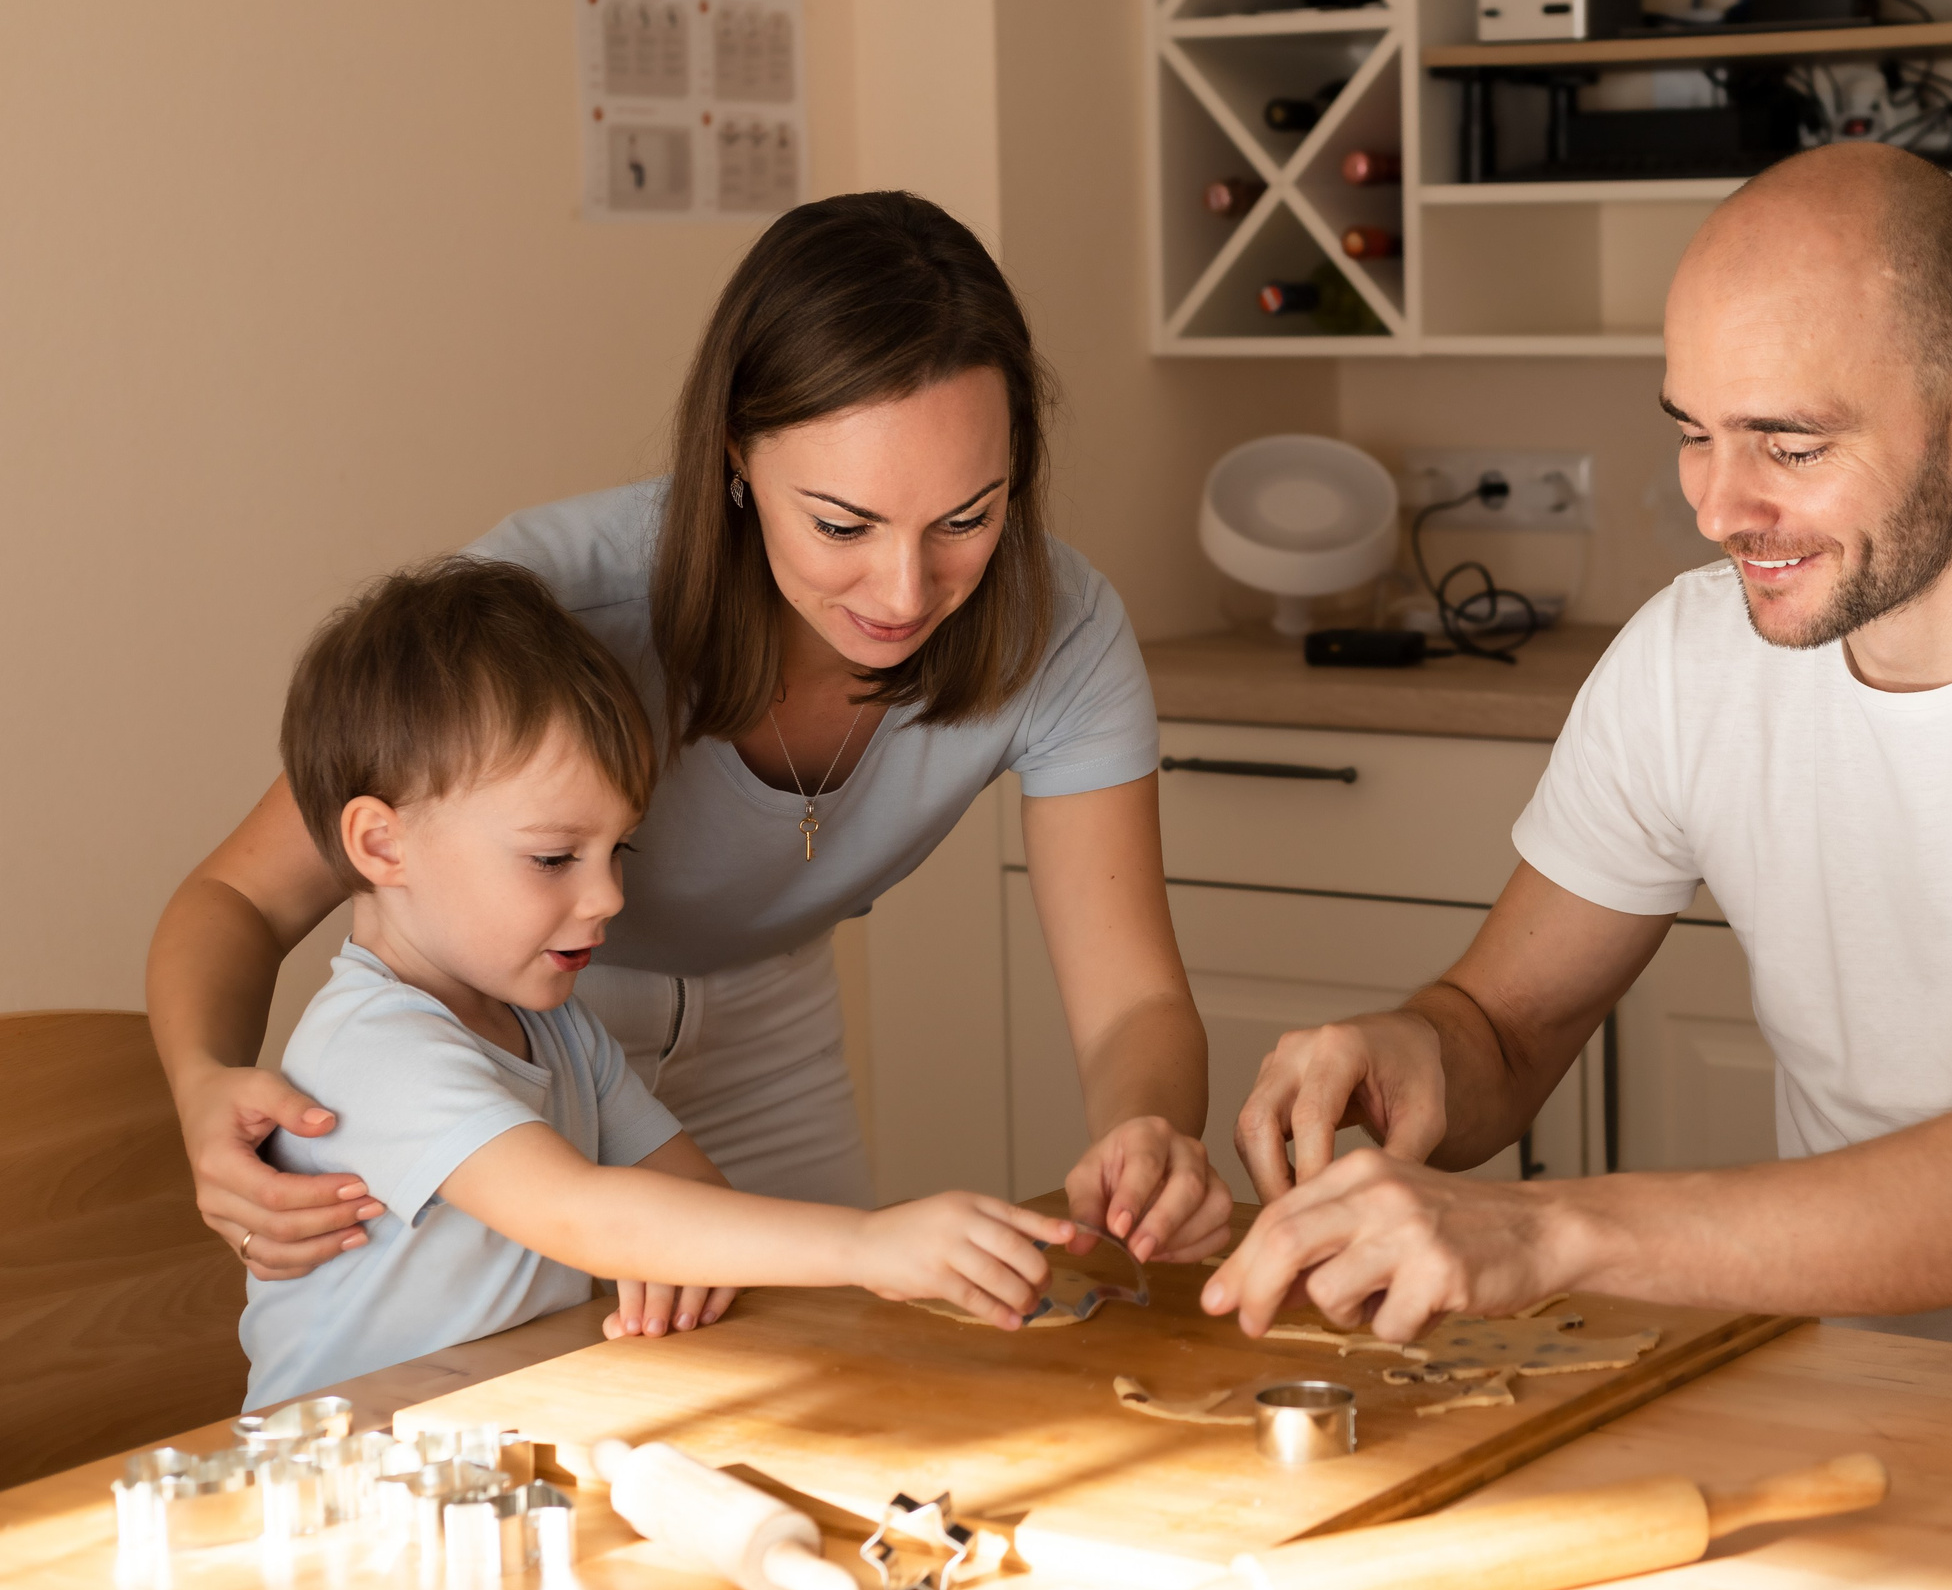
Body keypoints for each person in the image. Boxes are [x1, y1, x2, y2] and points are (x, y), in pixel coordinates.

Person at [1200, 145, 1952, 1590]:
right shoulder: (1692, 659)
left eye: (1787, 445)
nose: (1716, 506)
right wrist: (1400, 1053)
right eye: (1690, 433)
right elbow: (1501, 1024)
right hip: (1813, 1472)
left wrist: (1544, 1234)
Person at [149, 192, 1230, 1289]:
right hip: (532, 1009)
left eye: (967, 520)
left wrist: (1148, 1135)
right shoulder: (557, 610)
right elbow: (240, 895)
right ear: (735, 458)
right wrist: (201, 1084)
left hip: (766, 1014)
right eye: (841, 525)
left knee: (798, 1370)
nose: (906, 592)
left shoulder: (1061, 630)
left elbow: (1135, 1002)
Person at [245, 557, 1075, 1409]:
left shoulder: (559, 1028)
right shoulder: (377, 1048)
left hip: (491, 1441)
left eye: (618, 852)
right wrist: (869, 1244)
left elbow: (687, 1192)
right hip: (340, 1484)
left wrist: (681, 1260)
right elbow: (578, 1212)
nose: (607, 897)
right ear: (383, 846)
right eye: (554, 858)